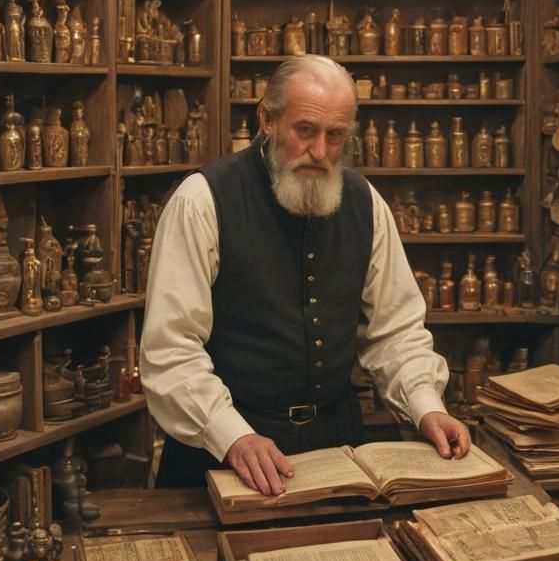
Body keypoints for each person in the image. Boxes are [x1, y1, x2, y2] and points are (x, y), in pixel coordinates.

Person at [141, 55, 470, 495]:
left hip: (337, 449)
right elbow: (170, 349)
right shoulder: (202, 201)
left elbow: (396, 332)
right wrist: (231, 434)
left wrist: (427, 407)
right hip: (221, 455)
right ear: (267, 119)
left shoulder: (364, 202)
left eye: (335, 136)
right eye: (305, 131)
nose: (319, 152)